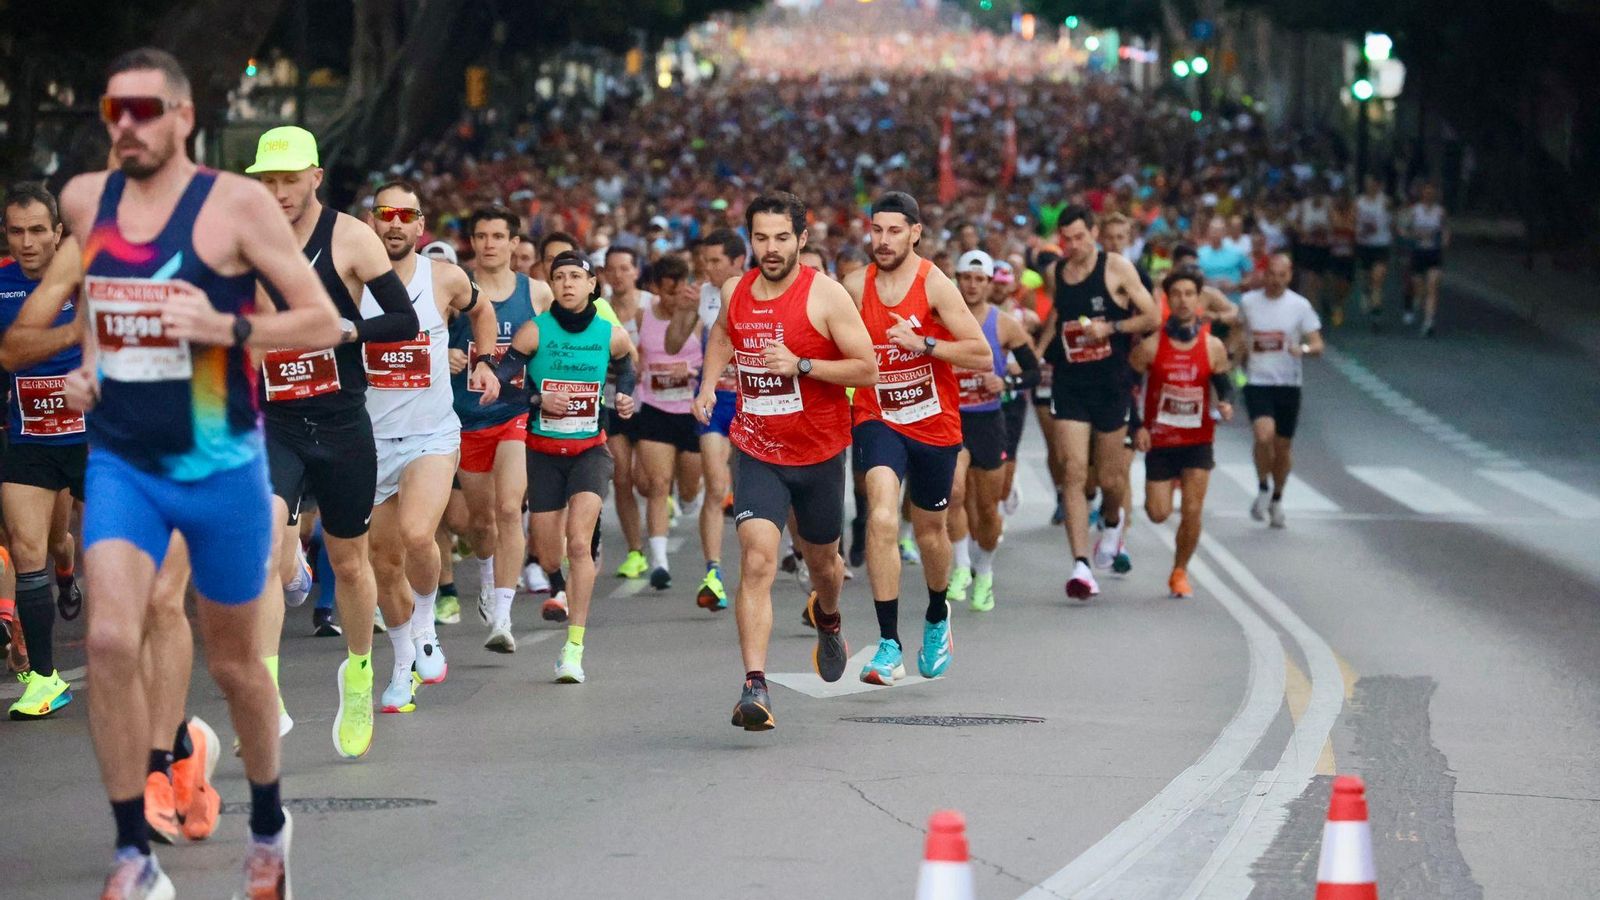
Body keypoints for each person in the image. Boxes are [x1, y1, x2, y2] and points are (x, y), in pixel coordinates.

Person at [0, 48, 343, 897]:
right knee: (114, 639)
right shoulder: (85, 200)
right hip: (122, 459)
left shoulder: (234, 207)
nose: (128, 127)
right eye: (116, 110)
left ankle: (267, 824)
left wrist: (222, 329)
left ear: (184, 117)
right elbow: (64, 319)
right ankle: (132, 855)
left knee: (235, 668)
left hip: (220, 461)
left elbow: (323, 321)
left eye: (146, 111)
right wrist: (86, 357)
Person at [244, 126, 421, 760]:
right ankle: (265, 696)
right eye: (268, 181)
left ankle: (359, 673)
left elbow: (402, 320)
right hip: (277, 420)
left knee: (350, 562)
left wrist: (346, 330)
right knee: (264, 540)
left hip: (343, 422)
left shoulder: (350, 237)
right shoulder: (247, 242)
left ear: (315, 177)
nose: (279, 192)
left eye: (289, 179)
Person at [693, 191, 876, 731]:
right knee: (756, 561)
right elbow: (725, 333)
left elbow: (866, 368)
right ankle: (755, 685)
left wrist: (802, 364)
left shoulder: (827, 297)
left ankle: (830, 617)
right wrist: (708, 384)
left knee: (825, 567)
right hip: (756, 447)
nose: (770, 249)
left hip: (818, 453)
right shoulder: (736, 290)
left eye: (781, 238)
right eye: (760, 238)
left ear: (801, 238)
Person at [843, 192, 990, 685]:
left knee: (930, 531)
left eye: (894, 231)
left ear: (915, 233)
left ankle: (935, 614)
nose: (883, 241)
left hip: (934, 423)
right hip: (877, 417)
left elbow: (980, 354)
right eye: (876, 230)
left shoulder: (935, 285)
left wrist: (925, 342)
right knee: (881, 515)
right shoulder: (853, 286)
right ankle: (888, 644)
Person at [363, 180, 499, 704]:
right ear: (372, 221)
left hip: (431, 435)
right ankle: (402, 666)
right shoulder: (352, 281)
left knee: (420, 533)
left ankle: (425, 628)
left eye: (406, 214)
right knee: (384, 560)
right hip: (371, 438)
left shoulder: (442, 278)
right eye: (385, 213)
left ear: (420, 226)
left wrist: (484, 363)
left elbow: (482, 312)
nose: (394, 223)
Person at [495, 251, 636, 681]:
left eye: (577, 276)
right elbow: (501, 385)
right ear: (552, 285)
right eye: (559, 277)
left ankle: (573, 649)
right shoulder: (534, 332)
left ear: (593, 285)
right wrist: (538, 400)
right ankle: (559, 584)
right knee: (551, 551)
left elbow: (626, 366)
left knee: (579, 544)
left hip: (589, 451)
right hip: (542, 453)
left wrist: (624, 396)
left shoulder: (609, 334)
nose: (568, 284)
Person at [1037, 205, 1158, 600]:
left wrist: (1113, 327)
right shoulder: (1057, 273)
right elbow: (1059, 316)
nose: (1072, 246)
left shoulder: (1118, 268)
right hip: (1071, 384)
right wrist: (1041, 352)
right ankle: (1080, 566)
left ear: (1093, 233)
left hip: (1111, 384)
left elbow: (1152, 316)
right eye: (1066, 239)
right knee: (1073, 472)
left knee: (1109, 479)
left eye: (1079, 237)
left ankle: (1111, 523)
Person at [0, 183, 85, 721]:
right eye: (16, 231)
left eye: (38, 230)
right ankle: (45, 680)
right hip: (29, 438)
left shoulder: (89, 277)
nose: (28, 242)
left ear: (58, 232)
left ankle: (143, 662)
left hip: (94, 437)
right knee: (28, 551)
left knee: (121, 551)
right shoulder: (2, 283)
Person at [451, 206, 534, 653]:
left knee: (508, 508)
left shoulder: (534, 292)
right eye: (481, 235)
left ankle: (502, 616)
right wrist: (443, 357)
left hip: (514, 414)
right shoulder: (454, 288)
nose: (489, 244)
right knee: (478, 523)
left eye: (498, 236)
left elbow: (573, 329)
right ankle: (487, 577)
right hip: (466, 419)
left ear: (514, 243)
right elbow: (422, 334)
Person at [1130, 270, 1234, 598]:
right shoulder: (1151, 346)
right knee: (1158, 513)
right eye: (1177, 294)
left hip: (1198, 441)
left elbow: (1223, 381)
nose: (1184, 300)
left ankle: (1179, 571)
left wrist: (1227, 402)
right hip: (1161, 440)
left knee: (1192, 510)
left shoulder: (1212, 345)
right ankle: (1168, 485)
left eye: (1190, 293)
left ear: (1199, 299)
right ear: (1167, 299)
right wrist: (1138, 426)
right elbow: (1129, 387)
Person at [944, 250, 1038, 613]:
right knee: (953, 492)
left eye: (979, 279)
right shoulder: (942, 319)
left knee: (987, 508)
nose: (971, 284)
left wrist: (1006, 382)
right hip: (953, 419)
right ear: (957, 279)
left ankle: (984, 570)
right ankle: (962, 566)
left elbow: (1032, 370)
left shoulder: (1004, 324)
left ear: (988, 284)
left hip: (988, 421)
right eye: (966, 277)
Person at [668, 228, 748, 610]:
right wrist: (684, 311)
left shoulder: (758, 288)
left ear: (738, 262)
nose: (708, 269)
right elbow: (673, 343)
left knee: (764, 492)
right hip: (716, 401)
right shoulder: (701, 294)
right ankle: (713, 573)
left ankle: (797, 557)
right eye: (705, 262)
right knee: (716, 487)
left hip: (757, 402)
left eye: (716, 262)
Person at [630, 254, 702, 590]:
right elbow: (636, 357)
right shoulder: (643, 315)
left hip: (691, 411)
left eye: (680, 291)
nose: (675, 300)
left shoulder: (698, 318)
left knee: (688, 487)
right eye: (668, 293)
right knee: (658, 485)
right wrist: (639, 371)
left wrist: (692, 373)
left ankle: (689, 498)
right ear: (655, 289)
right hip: (655, 408)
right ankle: (659, 561)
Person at [1239, 254, 1324, 528]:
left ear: (1289, 276)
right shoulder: (1249, 302)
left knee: (1282, 447)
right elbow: (1240, 335)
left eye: (1281, 275)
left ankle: (1277, 498)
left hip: (1288, 383)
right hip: (1257, 380)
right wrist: (1231, 360)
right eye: (1271, 274)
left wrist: (1305, 349)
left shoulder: (1300, 306)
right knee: (1264, 436)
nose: (1275, 280)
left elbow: (1317, 344)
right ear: (1264, 274)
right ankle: (1263, 486)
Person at [600, 245, 649, 580]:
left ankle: (666, 498)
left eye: (624, 268)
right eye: (612, 269)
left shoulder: (652, 305)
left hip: (649, 403)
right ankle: (636, 551)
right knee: (622, 477)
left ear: (636, 271)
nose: (618, 275)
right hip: (610, 401)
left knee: (647, 481)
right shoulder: (596, 309)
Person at [1401, 183, 1448, 336]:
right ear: (1422, 194)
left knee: (1432, 287)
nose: (1429, 195)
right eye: (1426, 193)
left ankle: (1429, 322)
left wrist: (1444, 242)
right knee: (1419, 288)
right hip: (1418, 253)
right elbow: (1404, 228)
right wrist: (1413, 236)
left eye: (1431, 193)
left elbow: (1445, 229)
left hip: (1434, 253)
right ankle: (1417, 305)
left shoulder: (1440, 212)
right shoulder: (1415, 211)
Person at [1355, 176, 1393, 323]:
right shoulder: (1359, 202)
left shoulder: (1385, 201)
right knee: (1366, 276)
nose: (1370, 187)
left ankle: (1376, 311)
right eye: (1368, 184)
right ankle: (1365, 292)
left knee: (1377, 278)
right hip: (1364, 244)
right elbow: (1353, 220)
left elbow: (1393, 217)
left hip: (1381, 244)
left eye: (1373, 184)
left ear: (1378, 185)